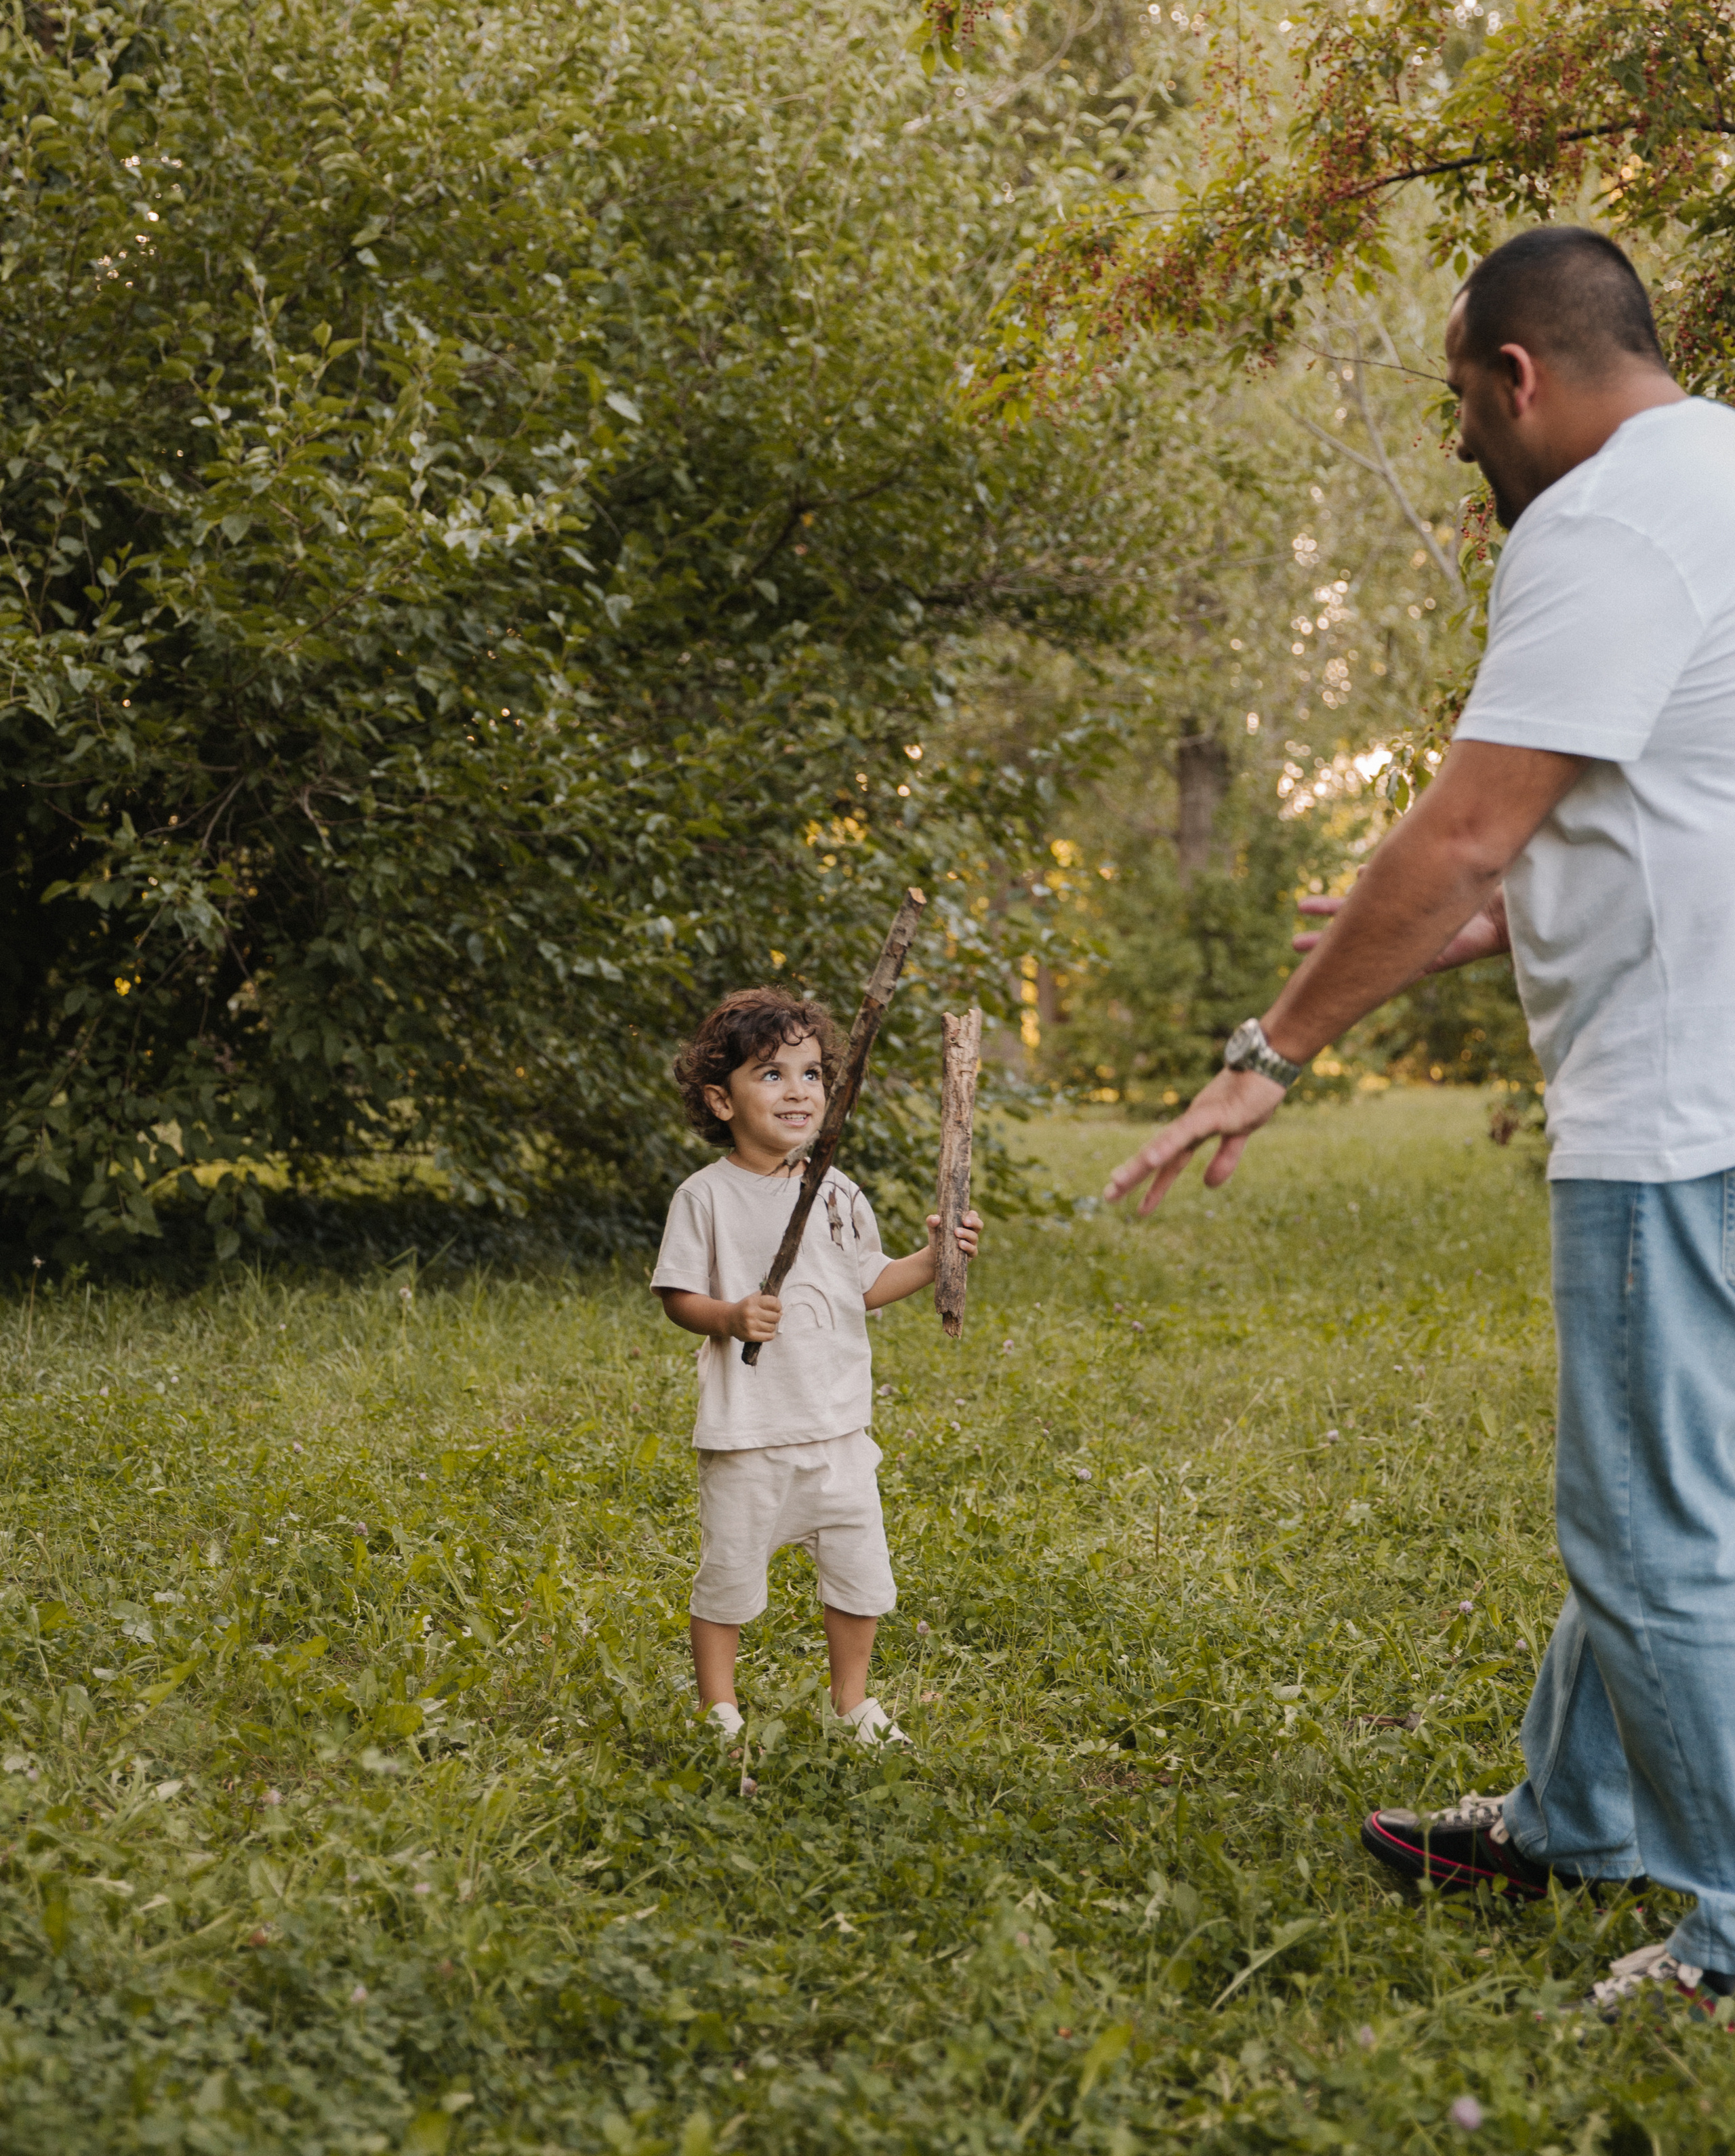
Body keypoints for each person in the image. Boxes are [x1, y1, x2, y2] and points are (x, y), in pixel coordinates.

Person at [1103, 225, 1735, 2020]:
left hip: (1677, 1120)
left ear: (1517, 376)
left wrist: (1272, 1050)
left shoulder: (1598, 522)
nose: (1462, 442)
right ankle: (1575, 1815)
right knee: (1679, 1493)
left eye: (1459, 402)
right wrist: (1507, 918)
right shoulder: (1725, 478)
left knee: (1653, 1530)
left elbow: (1462, 821)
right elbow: (1681, 799)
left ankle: (1732, 1939)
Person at [652, 985, 981, 1748]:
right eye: (770, 1074)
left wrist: (934, 1259)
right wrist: (729, 1317)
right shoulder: (705, 1196)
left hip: (836, 1425)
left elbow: (865, 1286)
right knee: (730, 1576)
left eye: (810, 1074)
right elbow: (676, 1296)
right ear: (720, 1099)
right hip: (750, 1433)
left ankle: (853, 1700)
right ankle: (718, 1707)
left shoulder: (837, 1192)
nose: (797, 1090)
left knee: (860, 1571)